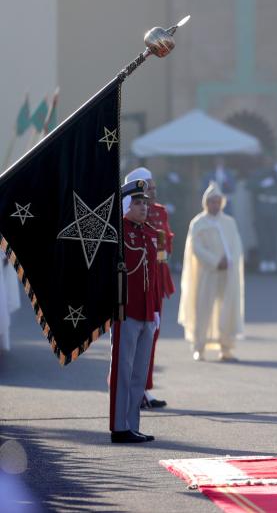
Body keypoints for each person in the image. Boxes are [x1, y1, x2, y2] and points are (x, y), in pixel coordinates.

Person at [109, 179, 160, 444]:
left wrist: (156, 309)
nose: (143, 208)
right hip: (126, 310)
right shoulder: (117, 232)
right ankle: (119, 427)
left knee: (139, 371)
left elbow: (155, 275)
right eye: (137, 203)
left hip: (147, 312)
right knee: (123, 369)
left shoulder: (150, 233)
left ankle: (132, 425)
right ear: (127, 205)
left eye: (145, 203)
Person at [178, 182, 244, 362]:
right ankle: (199, 347)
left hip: (227, 273)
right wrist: (215, 261)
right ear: (205, 203)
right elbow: (196, 249)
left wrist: (229, 261)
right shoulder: (198, 223)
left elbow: (236, 246)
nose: (214, 205)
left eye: (217, 201)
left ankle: (226, 347)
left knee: (227, 308)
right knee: (203, 308)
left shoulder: (229, 222)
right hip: (207, 273)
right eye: (211, 201)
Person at [125, 167, 174, 410]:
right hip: (139, 278)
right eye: (148, 188)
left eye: (154, 188)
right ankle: (132, 388)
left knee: (152, 335)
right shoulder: (129, 218)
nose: (152, 194)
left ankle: (144, 386)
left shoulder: (160, 212)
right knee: (134, 336)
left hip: (157, 276)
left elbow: (167, 244)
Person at [248, 154, 277, 273]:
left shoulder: (276, 174)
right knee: (262, 235)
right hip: (262, 207)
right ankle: (264, 260)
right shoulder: (258, 173)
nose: (269, 163)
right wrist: (262, 185)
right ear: (263, 161)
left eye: (271, 161)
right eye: (267, 160)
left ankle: (272, 261)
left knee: (273, 235)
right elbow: (250, 186)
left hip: (274, 207)